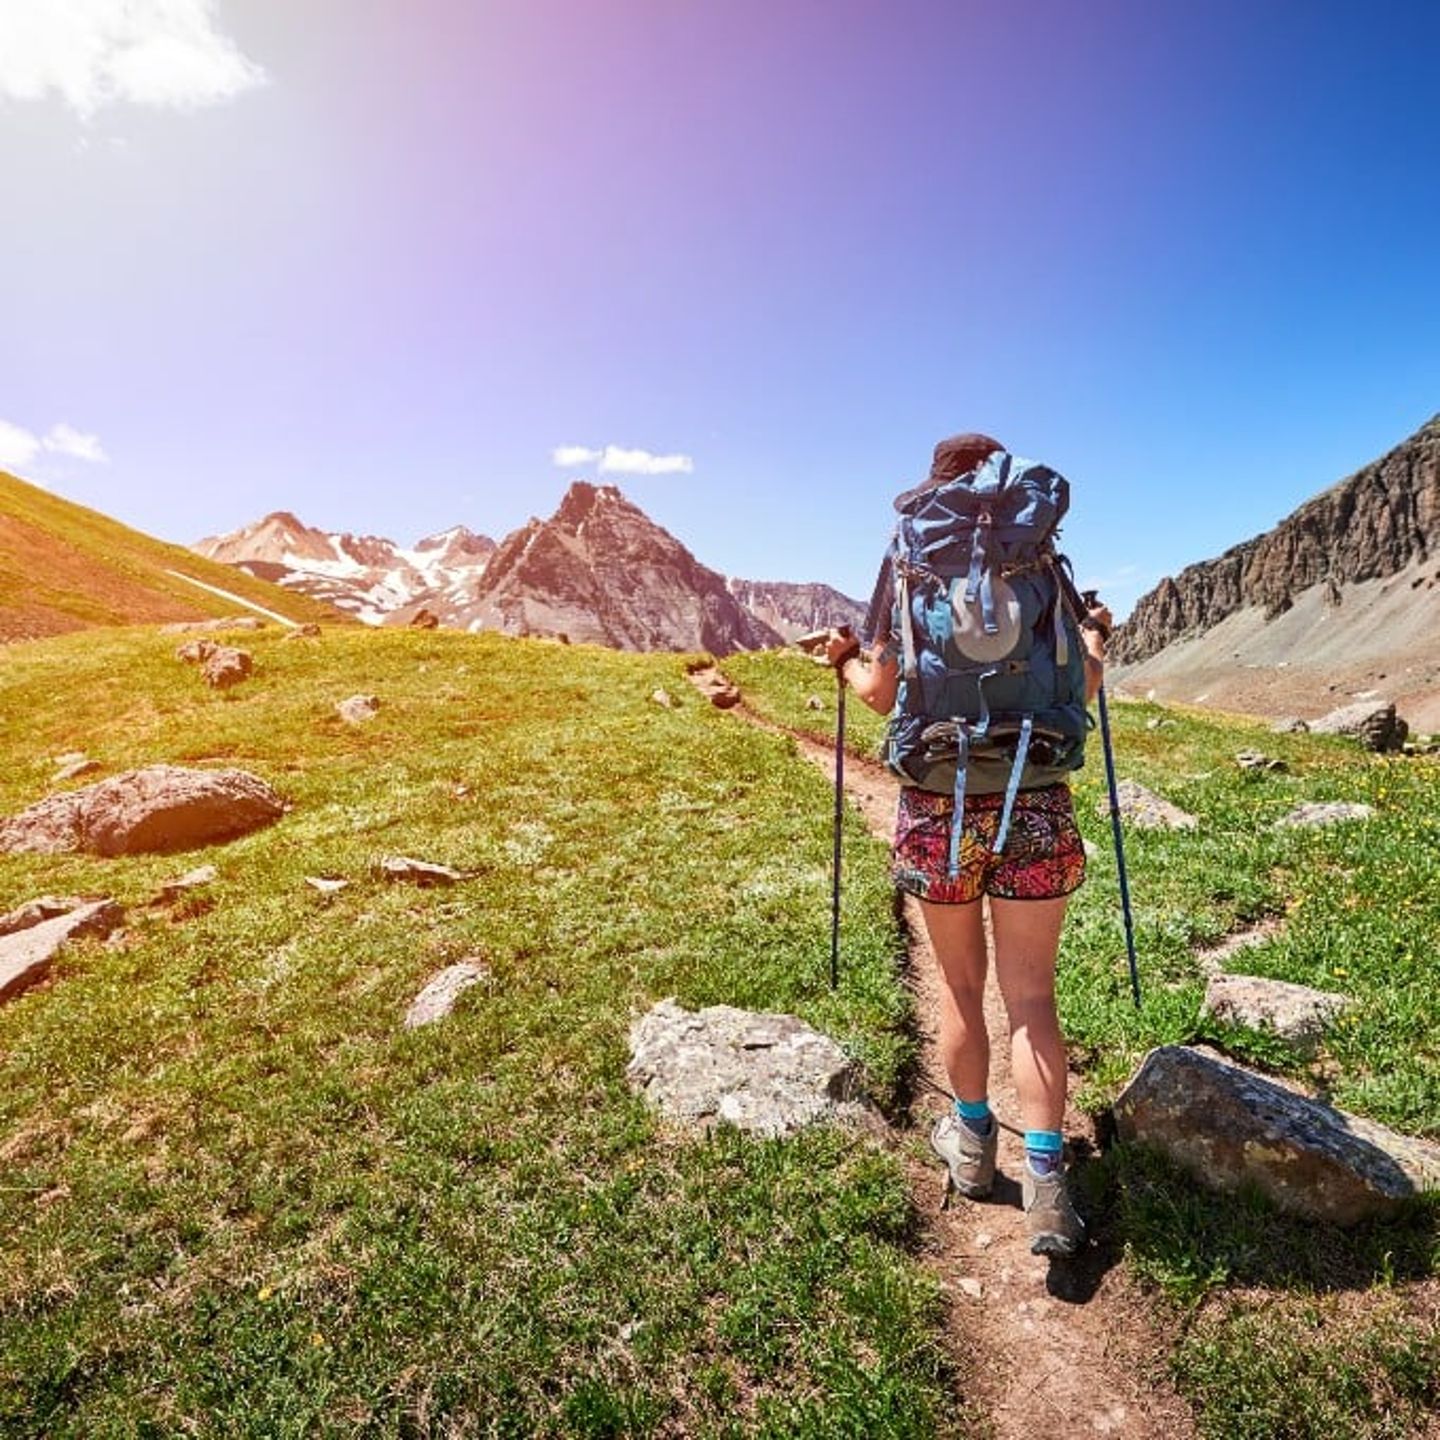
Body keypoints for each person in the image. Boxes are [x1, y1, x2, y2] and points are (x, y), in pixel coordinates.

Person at [817, 433, 1111, 1257]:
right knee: (1032, 1001)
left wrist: (843, 662)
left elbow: (878, 694)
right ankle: (1049, 1183)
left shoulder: (912, 560)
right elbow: (1081, 685)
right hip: (1037, 800)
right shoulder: (1041, 562)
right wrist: (1095, 640)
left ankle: (975, 1149)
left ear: (937, 484)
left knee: (957, 985)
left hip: (938, 807)